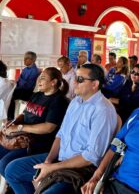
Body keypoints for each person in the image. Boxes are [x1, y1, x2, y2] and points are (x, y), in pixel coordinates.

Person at [5, 64, 118, 194]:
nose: (74, 81)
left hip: (79, 168)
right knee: (12, 170)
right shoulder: (76, 102)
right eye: (76, 77)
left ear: (95, 84)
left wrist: (52, 167)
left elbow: (91, 157)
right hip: (60, 158)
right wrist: (48, 161)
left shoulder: (102, 110)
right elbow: (61, 134)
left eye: (80, 79)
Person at [0, 67, 69, 179]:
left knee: (5, 164)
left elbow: (48, 127)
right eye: (38, 78)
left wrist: (19, 127)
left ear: (53, 82)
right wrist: (13, 123)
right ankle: (12, 182)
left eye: (42, 78)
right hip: (21, 138)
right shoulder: (37, 95)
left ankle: (17, 183)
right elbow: (24, 114)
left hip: (38, 144)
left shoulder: (59, 101)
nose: (38, 81)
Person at [8, 51, 40, 119]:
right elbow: (20, 81)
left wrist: (17, 84)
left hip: (26, 92)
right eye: (24, 58)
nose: (24, 60)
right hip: (21, 89)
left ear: (32, 60)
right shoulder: (25, 69)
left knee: (10, 96)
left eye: (26, 59)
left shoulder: (35, 71)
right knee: (8, 91)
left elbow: (26, 85)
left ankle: (10, 118)